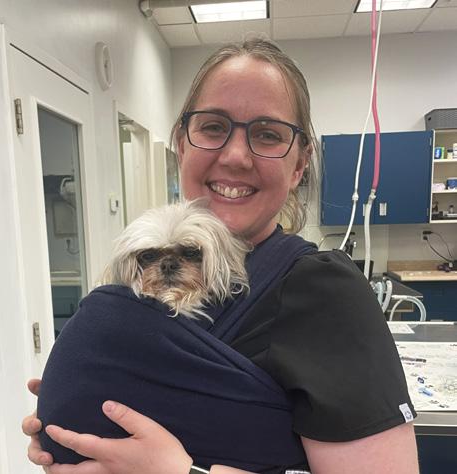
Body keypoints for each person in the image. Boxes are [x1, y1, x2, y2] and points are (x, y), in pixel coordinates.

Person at [22, 38, 419, 474]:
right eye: (213, 127)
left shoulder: (324, 293)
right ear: (181, 144)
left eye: (267, 134)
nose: (235, 156)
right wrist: (75, 404)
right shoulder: (134, 284)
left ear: (299, 165)